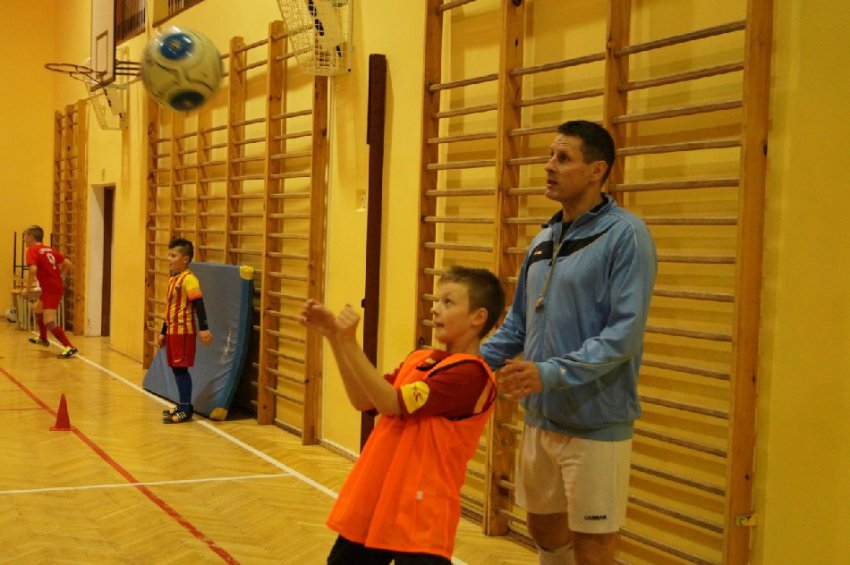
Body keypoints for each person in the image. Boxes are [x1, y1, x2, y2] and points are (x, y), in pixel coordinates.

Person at [480, 121, 657, 565]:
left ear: (597, 170)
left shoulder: (626, 236)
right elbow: (518, 323)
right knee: (545, 532)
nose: (549, 166)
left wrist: (550, 373)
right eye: (550, 156)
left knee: (593, 550)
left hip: (596, 423)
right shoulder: (544, 239)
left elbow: (623, 334)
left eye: (563, 158)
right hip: (541, 417)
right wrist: (466, 364)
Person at [300, 266, 505, 565]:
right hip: (379, 499)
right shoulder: (420, 358)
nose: (435, 308)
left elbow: (389, 403)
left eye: (448, 302)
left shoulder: (470, 375)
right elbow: (363, 399)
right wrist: (335, 338)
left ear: (478, 317)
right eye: (436, 300)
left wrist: (350, 342)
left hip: (420, 512)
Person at [157, 237, 213, 424]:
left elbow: (199, 304)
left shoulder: (189, 280)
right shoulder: (173, 279)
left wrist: (204, 329)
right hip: (173, 331)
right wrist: (163, 331)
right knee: (176, 368)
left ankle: (186, 408)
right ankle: (182, 405)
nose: (169, 259)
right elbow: (170, 308)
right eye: (169, 255)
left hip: (184, 332)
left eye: (173, 256)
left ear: (185, 259)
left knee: (181, 369)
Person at [21, 225, 78, 359]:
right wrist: (58, 275)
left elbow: (33, 269)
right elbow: (68, 263)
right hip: (51, 287)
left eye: (25, 237)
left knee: (48, 321)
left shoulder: (32, 250)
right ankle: (43, 338)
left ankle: (70, 347)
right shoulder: (49, 249)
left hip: (52, 289)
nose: (24, 240)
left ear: (31, 237)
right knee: (37, 308)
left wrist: (27, 289)